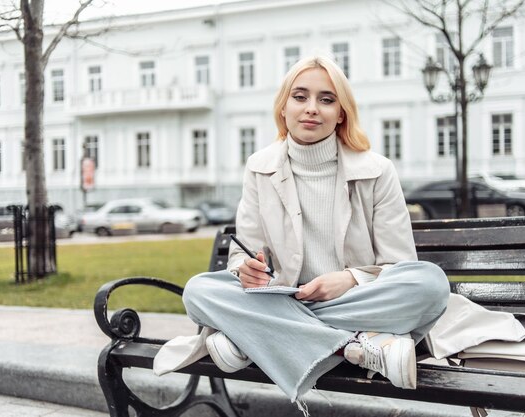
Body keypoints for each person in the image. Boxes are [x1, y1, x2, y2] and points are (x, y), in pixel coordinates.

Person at [177, 55, 450, 411]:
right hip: (283, 298)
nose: (311, 109)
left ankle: (253, 335)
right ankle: (352, 347)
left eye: (326, 99)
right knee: (198, 291)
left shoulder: (377, 170)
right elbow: (242, 257)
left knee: (430, 284)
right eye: (300, 96)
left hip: (355, 300)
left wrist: (349, 279)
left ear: (341, 112)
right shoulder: (259, 168)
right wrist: (246, 270)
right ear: (284, 107)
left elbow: (399, 265)